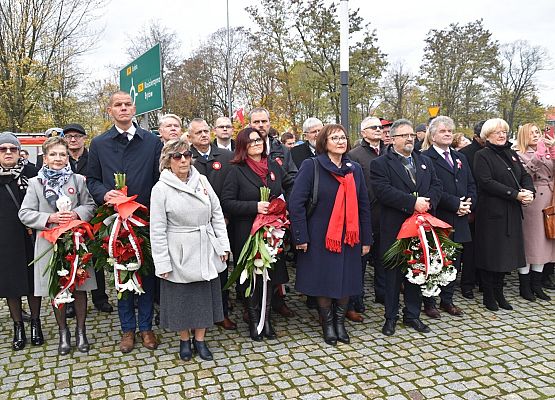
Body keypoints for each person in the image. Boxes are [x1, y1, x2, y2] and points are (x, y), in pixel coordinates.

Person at [87, 91, 163, 353]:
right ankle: (127, 329)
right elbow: (92, 179)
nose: (123, 109)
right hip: (115, 220)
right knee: (121, 274)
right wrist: (103, 194)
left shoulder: (152, 142)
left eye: (127, 104)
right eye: (117, 105)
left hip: (145, 219)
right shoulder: (99, 144)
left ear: (134, 109)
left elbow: (158, 179)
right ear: (110, 110)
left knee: (146, 274)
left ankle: (146, 328)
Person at [289, 124, 372, 345]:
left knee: (347, 279)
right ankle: (327, 325)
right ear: (324, 142)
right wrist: (301, 236)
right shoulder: (312, 166)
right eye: (334, 138)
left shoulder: (353, 169)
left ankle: (340, 323)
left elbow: (364, 204)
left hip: (349, 236)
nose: (340, 141)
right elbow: (296, 204)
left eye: (343, 137)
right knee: (323, 281)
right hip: (319, 236)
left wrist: (366, 238)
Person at [150, 139, 230, 361]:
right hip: (178, 250)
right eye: (177, 156)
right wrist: (162, 262)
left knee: (203, 297)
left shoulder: (202, 180)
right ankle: (184, 339)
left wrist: (223, 245)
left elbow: (216, 213)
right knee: (180, 299)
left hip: (205, 245)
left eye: (186, 155)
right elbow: (157, 229)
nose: (183, 160)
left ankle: (201, 340)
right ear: (168, 161)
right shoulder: (161, 188)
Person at [19, 136, 97, 355]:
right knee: (57, 289)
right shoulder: (36, 183)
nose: (58, 158)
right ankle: (64, 332)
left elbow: (90, 205)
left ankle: (81, 331)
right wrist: (50, 219)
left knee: (80, 287)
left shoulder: (78, 180)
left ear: (67, 157)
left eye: (62, 154)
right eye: (53, 154)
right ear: (45, 157)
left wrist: (75, 214)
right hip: (48, 243)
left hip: (76, 241)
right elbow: (25, 213)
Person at [371, 119, 442, 336]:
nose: (410, 138)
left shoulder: (424, 161)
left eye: (411, 134)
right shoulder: (381, 164)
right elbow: (382, 191)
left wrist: (428, 203)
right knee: (392, 276)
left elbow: (437, 185)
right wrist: (412, 203)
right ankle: (390, 317)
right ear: (392, 139)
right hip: (394, 227)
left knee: (416, 271)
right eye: (404, 135)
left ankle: (412, 315)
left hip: (421, 227)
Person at [221, 127, 294, 341]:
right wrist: (254, 206)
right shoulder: (235, 169)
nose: (256, 143)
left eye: (259, 140)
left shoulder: (273, 166)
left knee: (270, 277)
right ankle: (255, 322)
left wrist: (283, 205)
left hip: (273, 232)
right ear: (243, 146)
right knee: (252, 278)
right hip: (248, 232)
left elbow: (285, 188)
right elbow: (227, 202)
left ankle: (267, 320)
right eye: (251, 141)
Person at [474, 118, 535, 311]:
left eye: (504, 131)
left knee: (506, 255)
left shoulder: (511, 153)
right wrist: (515, 194)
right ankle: (489, 295)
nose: (502, 135)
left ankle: (499, 293)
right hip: (492, 212)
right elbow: (486, 181)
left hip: (512, 211)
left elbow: (524, 175)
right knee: (491, 254)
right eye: (497, 132)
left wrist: (529, 191)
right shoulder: (482, 155)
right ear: (487, 135)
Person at [421, 116, 476, 318]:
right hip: (440, 216)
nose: (447, 134)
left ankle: (448, 300)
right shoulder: (425, 158)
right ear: (433, 135)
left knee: (454, 262)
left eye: (450, 131)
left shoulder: (460, 158)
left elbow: (471, 184)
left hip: (460, 218)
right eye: (443, 131)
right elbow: (430, 188)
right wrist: (455, 204)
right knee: (436, 261)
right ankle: (430, 302)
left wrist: (468, 204)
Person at [188, 118, 236, 330]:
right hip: (193, 226)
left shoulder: (226, 157)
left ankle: (221, 311)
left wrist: (224, 215)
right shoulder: (185, 158)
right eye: (198, 132)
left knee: (221, 267)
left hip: (221, 221)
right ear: (190, 137)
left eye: (206, 131)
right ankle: (199, 313)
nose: (204, 135)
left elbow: (231, 187)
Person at [249, 107, 297, 317]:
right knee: (256, 259)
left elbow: (291, 177)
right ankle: (253, 304)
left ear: (270, 124)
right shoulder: (242, 149)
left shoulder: (282, 150)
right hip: (253, 216)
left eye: (264, 121)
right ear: (250, 125)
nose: (260, 125)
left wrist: (288, 203)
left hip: (278, 215)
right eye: (256, 122)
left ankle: (278, 299)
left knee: (276, 258)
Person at [63, 123, 113, 315]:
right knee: (69, 258)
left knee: (96, 258)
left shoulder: (94, 157)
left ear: (84, 138)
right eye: (69, 137)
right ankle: (71, 301)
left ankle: (100, 298)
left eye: (77, 136)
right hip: (68, 217)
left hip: (92, 215)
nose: (73, 140)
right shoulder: (61, 159)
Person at [0, 133, 43, 351]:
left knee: (33, 281)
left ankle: (36, 322)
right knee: (11, 284)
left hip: (31, 234)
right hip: (4, 239)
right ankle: (18, 326)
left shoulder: (32, 173)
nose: (8, 152)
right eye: (3, 149)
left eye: (12, 149)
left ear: (19, 152)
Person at [347, 116, 386, 322]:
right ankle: (356, 299)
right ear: (363, 132)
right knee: (360, 261)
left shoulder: (388, 152)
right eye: (374, 127)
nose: (379, 130)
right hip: (365, 214)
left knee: (383, 258)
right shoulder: (355, 155)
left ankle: (382, 293)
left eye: (380, 127)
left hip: (386, 214)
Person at [515, 123, 554, 302]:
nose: (536, 135)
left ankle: (537, 284)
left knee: (544, 243)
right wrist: (538, 156)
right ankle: (525, 285)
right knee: (532, 242)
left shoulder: (546, 150)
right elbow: (524, 173)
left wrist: (552, 149)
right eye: (531, 133)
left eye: (537, 132)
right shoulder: (518, 153)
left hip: (550, 198)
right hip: (533, 200)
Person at [459, 120, 486, 299]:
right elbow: (467, 182)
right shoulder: (465, 154)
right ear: (478, 136)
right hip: (471, 207)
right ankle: (467, 283)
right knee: (469, 249)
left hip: (489, 207)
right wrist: (470, 204)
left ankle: (483, 280)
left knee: (485, 246)